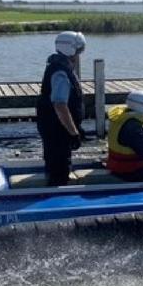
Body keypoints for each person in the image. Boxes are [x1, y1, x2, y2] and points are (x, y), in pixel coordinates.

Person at [36, 31, 87, 186]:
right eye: (79, 51)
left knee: (53, 163)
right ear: (71, 50)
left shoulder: (57, 66)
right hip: (57, 130)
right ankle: (56, 198)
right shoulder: (61, 73)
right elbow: (60, 105)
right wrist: (73, 132)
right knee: (59, 169)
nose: (79, 55)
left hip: (53, 127)